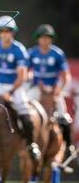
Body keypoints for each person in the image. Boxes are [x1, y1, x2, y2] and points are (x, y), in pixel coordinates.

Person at [0, 16, 41, 161]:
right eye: (2, 31)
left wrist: (11, 92)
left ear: (12, 32)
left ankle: (31, 144)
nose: (5, 33)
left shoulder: (19, 50)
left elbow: (22, 76)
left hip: (16, 87)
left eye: (8, 31)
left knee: (25, 113)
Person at [28, 24, 74, 160]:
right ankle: (24, 141)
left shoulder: (57, 54)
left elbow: (66, 75)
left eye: (48, 37)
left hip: (54, 90)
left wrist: (59, 89)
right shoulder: (32, 53)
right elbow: (26, 70)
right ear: (38, 39)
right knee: (25, 109)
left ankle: (69, 147)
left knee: (63, 116)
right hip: (37, 88)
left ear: (51, 39)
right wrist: (30, 77)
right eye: (42, 37)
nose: (45, 40)